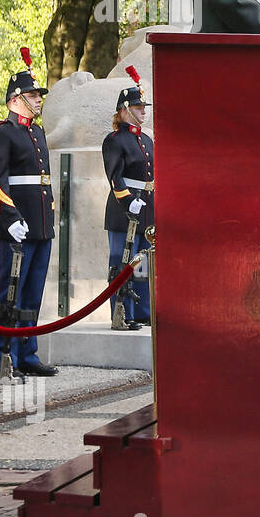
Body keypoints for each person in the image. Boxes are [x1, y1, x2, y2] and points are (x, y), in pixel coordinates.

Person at [0, 51, 57, 377]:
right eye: (31, 95)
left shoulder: (37, 133)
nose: (37, 100)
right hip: (16, 227)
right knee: (7, 292)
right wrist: (10, 219)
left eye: (38, 95)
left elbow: (43, 183)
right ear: (14, 100)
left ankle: (27, 353)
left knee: (31, 293)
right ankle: (3, 356)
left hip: (39, 226)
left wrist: (47, 222)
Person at [102, 70, 154, 329]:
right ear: (124, 110)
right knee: (123, 260)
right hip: (124, 210)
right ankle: (124, 312)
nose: (143, 111)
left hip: (147, 208)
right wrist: (127, 200)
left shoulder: (145, 139)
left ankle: (143, 310)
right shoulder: (114, 140)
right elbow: (115, 177)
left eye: (143, 106)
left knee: (144, 261)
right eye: (138, 107)